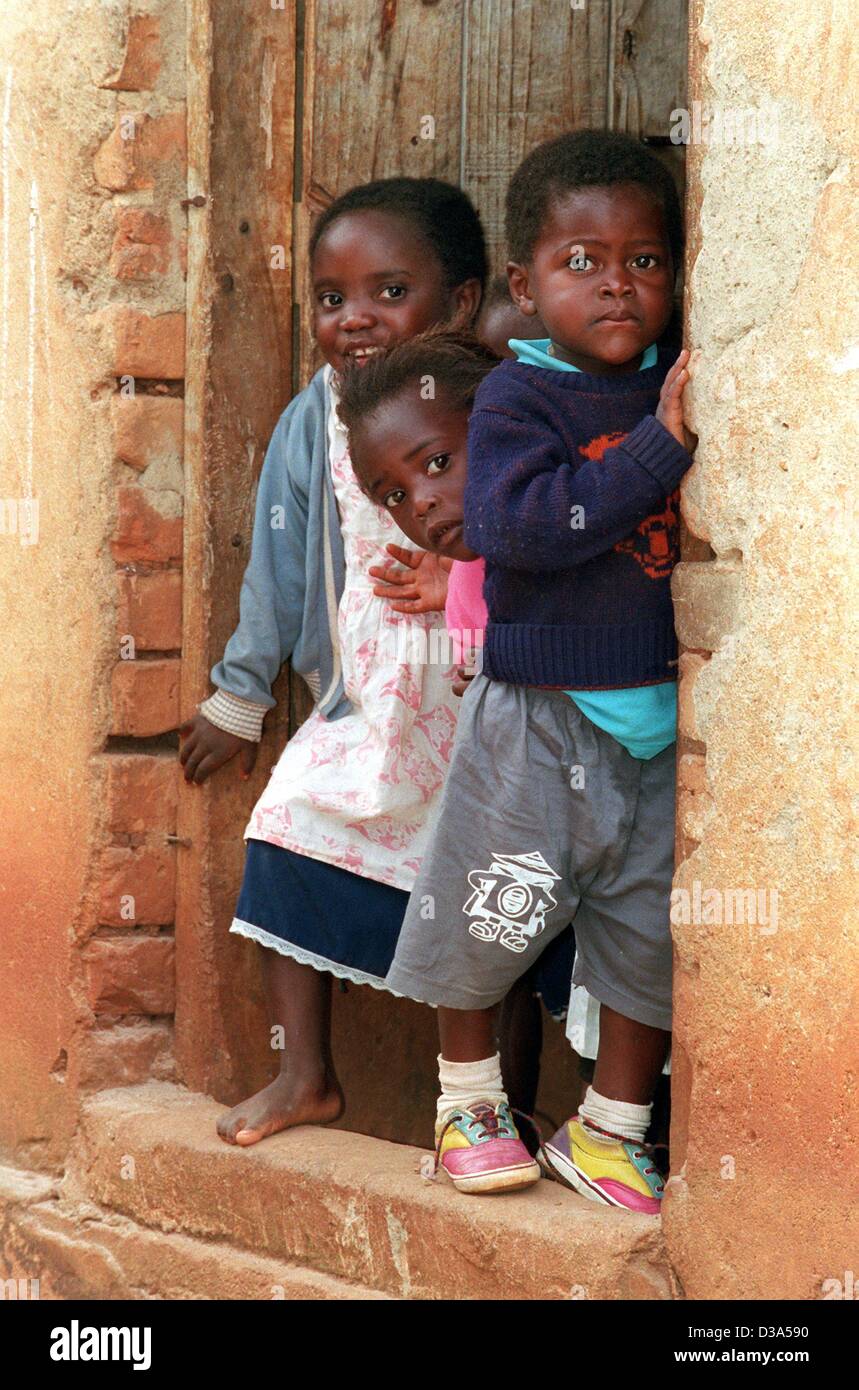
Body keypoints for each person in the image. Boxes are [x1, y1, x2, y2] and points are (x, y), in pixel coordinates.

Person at [351, 129, 696, 1210]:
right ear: (522, 284)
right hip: (538, 715)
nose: (615, 284)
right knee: (491, 908)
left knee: (648, 939)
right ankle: (466, 1101)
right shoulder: (516, 400)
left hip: (653, 728)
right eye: (580, 263)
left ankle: (612, 1130)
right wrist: (656, 450)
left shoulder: (676, 379)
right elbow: (524, 526)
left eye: (643, 260)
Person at [178, 177, 486, 1147]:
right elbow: (278, 558)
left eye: (388, 291)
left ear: (463, 302)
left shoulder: (490, 401)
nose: (354, 319)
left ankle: (485, 1105)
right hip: (362, 700)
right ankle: (304, 1073)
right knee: (284, 824)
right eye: (330, 298)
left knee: (487, 899)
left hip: (479, 699)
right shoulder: (313, 420)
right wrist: (239, 690)